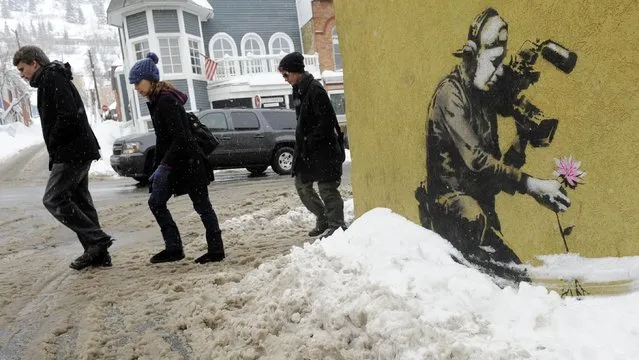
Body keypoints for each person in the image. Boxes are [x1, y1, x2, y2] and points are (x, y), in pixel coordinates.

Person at [418, 8, 571, 266]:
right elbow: (477, 160)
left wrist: (522, 140)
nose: (499, 72)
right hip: (454, 213)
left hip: (481, 215)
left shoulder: (483, 99)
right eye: (494, 62)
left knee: (518, 279)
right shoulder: (450, 95)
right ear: (471, 55)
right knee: (507, 281)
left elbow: (494, 173)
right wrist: (533, 186)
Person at [13, 45, 113, 270]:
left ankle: (96, 240)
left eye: (22, 69)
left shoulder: (51, 78)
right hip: (78, 149)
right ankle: (97, 253)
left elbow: (68, 115)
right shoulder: (52, 78)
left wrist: (55, 141)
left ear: (34, 63)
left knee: (53, 198)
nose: (22, 74)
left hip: (72, 152)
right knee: (80, 201)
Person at [129, 52, 225, 264]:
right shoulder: (156, 101)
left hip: (189, 163)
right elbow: (163, 140)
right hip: (176, 164)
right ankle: (173, 248)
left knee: (202, 206)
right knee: (156, 201)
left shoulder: (166, 101)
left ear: (150, 79)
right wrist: (156, 169)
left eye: (138, 82)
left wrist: (163, 167)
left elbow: (181, 139)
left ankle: (216, 251)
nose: (136, 87)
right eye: (134, 84)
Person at [278, 52, 346, 238]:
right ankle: (323, 218)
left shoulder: (315, 90)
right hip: (308, 150)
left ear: (296, 71)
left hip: (324, 150)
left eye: (286, 74)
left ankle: (337, 225)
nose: (285, 79)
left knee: (327, 188)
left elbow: (326, 123)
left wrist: (309, 140)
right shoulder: (299, 89)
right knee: (302, 185)